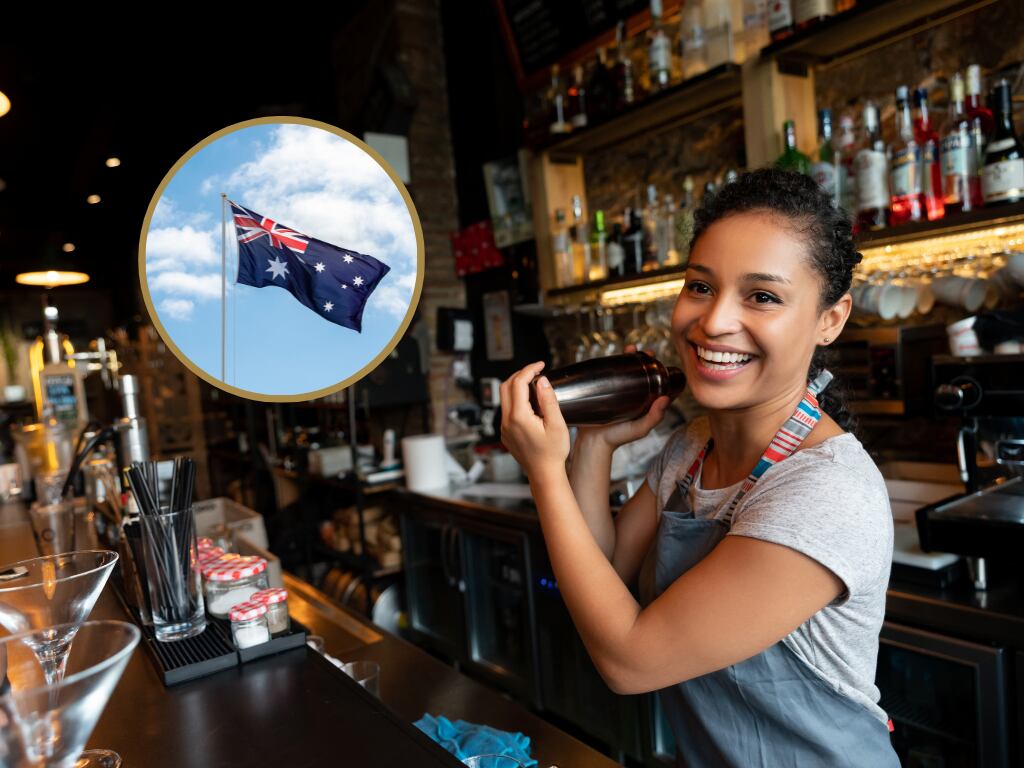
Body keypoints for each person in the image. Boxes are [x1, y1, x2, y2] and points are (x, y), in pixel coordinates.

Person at [499, 168, 899, 766]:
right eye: (700, 286)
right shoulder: (693, 447)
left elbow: (628, 659)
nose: (713, 323)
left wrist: (544, 475)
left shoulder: (826, 492)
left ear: (830, 319)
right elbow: (601, 580)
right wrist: (592, 445)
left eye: (762, 296)